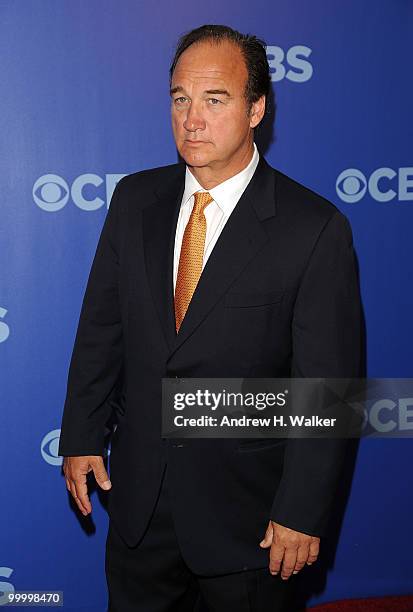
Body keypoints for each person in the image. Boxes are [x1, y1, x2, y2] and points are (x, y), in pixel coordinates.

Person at [58, 24, 362, 612]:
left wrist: (300, 511)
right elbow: (101, 329)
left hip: (248, 520)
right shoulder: (133, 202)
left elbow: (328, 392)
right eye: (180, 98)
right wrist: (82, 432)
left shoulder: (314, 229)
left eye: (214, 100)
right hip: (138, 505)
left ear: (257, 109)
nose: (191, 119)